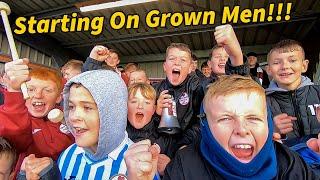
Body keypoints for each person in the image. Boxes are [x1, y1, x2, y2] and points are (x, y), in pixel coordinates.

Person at [125, 75, 319, 180]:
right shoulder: (185, 165)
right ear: (206, 126)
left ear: (268, 124)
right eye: (225, 118)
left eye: (253, 118)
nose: (241, 129)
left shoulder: (290, 164)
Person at [0, 59, 74, 172]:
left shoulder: (67, 119)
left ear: (59, 97)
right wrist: (14, 91)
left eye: (48, 90)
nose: (38, 95)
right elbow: (14, 136)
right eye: (31, 89)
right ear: (22, 91)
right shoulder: (11, 114)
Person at [58, 70, 133, 179]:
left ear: (114, 112)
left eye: (87, 108)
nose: (73, 117)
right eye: (71, 107)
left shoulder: (137, 167)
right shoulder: (67, 156)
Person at [265, 39, 320, 146]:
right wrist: (272, 129)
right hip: (287, 161)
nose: (285, 66)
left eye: (292, 60)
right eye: (276, 62)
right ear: (269, 70)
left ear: (304, 66)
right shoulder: (261, 102)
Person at [127, 83, 175, 175]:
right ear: (125, 107)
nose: (140, 106)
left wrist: (169, 168)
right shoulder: (117, 136)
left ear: (154, 109)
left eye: (147, 102)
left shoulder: (164, 136)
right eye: (134, 102)